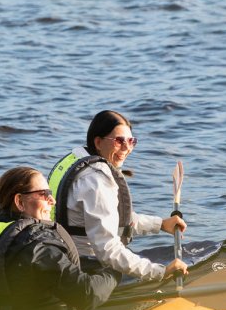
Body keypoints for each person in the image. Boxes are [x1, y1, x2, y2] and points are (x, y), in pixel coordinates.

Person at [0, 166, 120, 310]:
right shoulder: (39, 246)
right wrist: (115, 271)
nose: (53, 200)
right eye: (44, 194)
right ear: (20, 201)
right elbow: (87, 294)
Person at [48, 110, 189, 282]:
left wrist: (159, 224)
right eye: (119, 141)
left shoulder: (74, 162)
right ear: (98, 142)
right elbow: (108, 250)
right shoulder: (96, 181)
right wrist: (160, 272)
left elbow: (112, 219)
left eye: (131, 141)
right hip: (87, 269)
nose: (127, 148)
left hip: (61, 256)